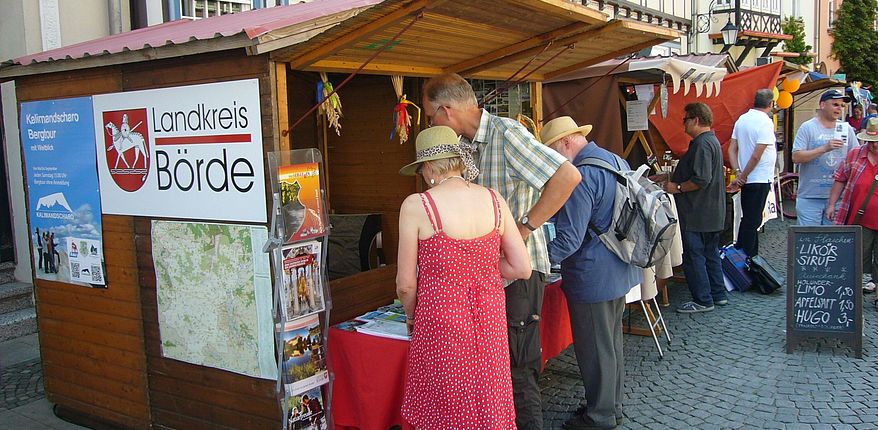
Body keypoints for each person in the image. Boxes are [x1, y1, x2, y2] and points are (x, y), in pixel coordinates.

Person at [422, 73, 580, 429]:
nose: (431, 122)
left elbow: (567, 177)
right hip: (487, 278)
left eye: (431, 116)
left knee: (519, 366)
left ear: (446, 111)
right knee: (494, 368)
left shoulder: (507, 134)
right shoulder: (463, 146)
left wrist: (524, 227)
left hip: (518, 274)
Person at [396, 126, 532, 429]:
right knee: (486, 400)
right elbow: (522, 267)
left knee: (444, 405)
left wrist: (410, 317)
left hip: (440, 323)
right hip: (488, 319)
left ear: (429, 167)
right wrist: (480, 269)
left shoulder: (418, 205)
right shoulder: (494, 199)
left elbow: (406, 285)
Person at [541, 116, 641, 430]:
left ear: (564, 143)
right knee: (610, 345)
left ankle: (600, 417)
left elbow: (569, 239)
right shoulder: (613, 159)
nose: (554, 160)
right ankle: (612, 407)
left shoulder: (580, 176)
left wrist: (537, 259)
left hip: (592, 275)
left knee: (596, 349)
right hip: (619, 266)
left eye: (552, 152)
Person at [663, 103, 727, 313]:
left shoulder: (701, 144)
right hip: (711, 211)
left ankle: (702, 300)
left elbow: (701, 178)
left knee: (694, 256)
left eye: (685, 119)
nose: (684, 124)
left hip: (697, 212)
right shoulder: (711, 141)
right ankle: (717, 294)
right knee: (710, 254)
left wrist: (677, 187)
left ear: (696, 120)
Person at [791, 89, 858, 226]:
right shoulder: (808, 127)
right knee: (808, 241)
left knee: (833, 242)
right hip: (810, 196)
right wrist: (824, 148)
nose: (839, 108)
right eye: (835, 104)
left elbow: (855, 158)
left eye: (842, 105)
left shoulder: (846, 129)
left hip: (838, 197)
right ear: (822, 105)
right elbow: (796, 157)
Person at [827, 117, 878, 294]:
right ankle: (851, 292)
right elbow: (840, 179)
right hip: (859, 219)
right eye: (870, 142)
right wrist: (832, 204)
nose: (873, 146)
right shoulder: (855, 154)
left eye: (876, 142)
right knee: (856, 257)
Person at [729, 88, 778, 257]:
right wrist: (742, 176)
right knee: (752, 221)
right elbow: (757, 155)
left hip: (748, 177)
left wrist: (738, 172)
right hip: (759, 178)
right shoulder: (765, 122)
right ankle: (745, 258)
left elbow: (732, 149)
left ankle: (750, 256)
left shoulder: (742, 119)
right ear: (770, 104)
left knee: (749, 219)